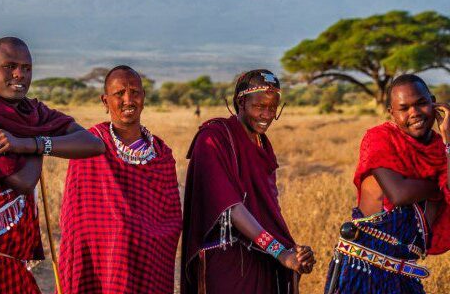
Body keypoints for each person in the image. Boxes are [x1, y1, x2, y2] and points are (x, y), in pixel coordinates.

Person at [0, 37, 105, 294]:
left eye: (27, 68)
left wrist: (30, 143)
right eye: (10, 66)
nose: (19, 75)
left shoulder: (33, 113)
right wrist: (41, 136)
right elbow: (23, 181)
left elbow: (93, 144)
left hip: (13, 264)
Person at [181, 69, 316, 293]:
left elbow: (269, 208)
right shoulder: (213, 138)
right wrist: (280, 251)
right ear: (241, 102)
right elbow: (230, 206)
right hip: (227, 260)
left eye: (272, 108)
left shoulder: (263, 144)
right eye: (259, 106)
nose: (266, 115)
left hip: (262, 257)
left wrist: (293, 252)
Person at [58, 65, 182, 293]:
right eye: (119, 94)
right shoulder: (90, 145)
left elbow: (171, 220)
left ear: (144, 97)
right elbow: (76, 223)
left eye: (135, 92)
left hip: (150, 261)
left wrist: (138, 233)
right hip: (104, 264)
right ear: (105, 101)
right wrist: (121, 230)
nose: (128, 100)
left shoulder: (161, 154)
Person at [325, 74, 450, 293]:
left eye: (421, 103)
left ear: (433, 102)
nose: (415, 113)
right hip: (365, 268)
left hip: (405, 271)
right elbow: (399, 194)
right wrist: (439, 184)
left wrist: (449, 139)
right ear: (392, 113)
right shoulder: (380, 138)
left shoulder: (441, 148)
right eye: (404, 108)